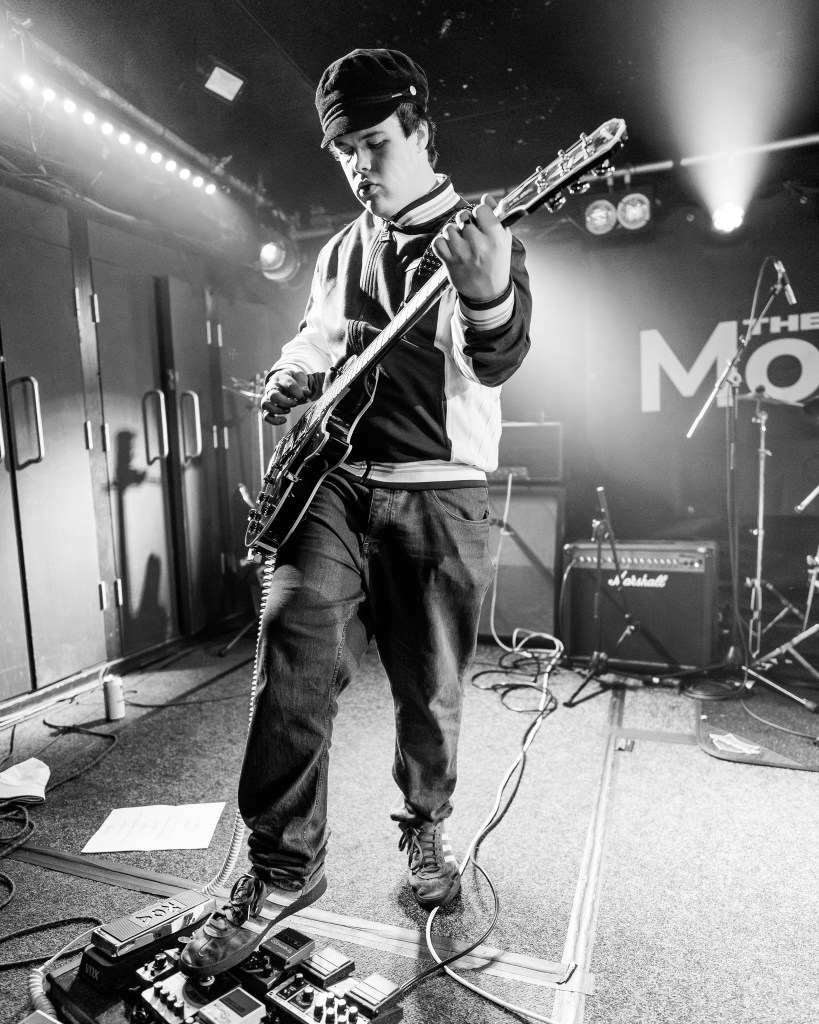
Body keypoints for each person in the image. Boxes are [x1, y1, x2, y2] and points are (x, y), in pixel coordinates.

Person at [181, 47, 532, 977]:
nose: (359, 165)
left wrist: (487, 293)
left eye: (374, 143)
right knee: (290, 644)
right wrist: (292, 372)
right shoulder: (341, 248)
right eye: (344, 152)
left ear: (419, 130)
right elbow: (319, 335)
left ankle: (425, 823)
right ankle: (281, 867)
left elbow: (495, 355)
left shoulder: (480, 234)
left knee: (429, 689)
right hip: (332, 481)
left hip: (438, 487)